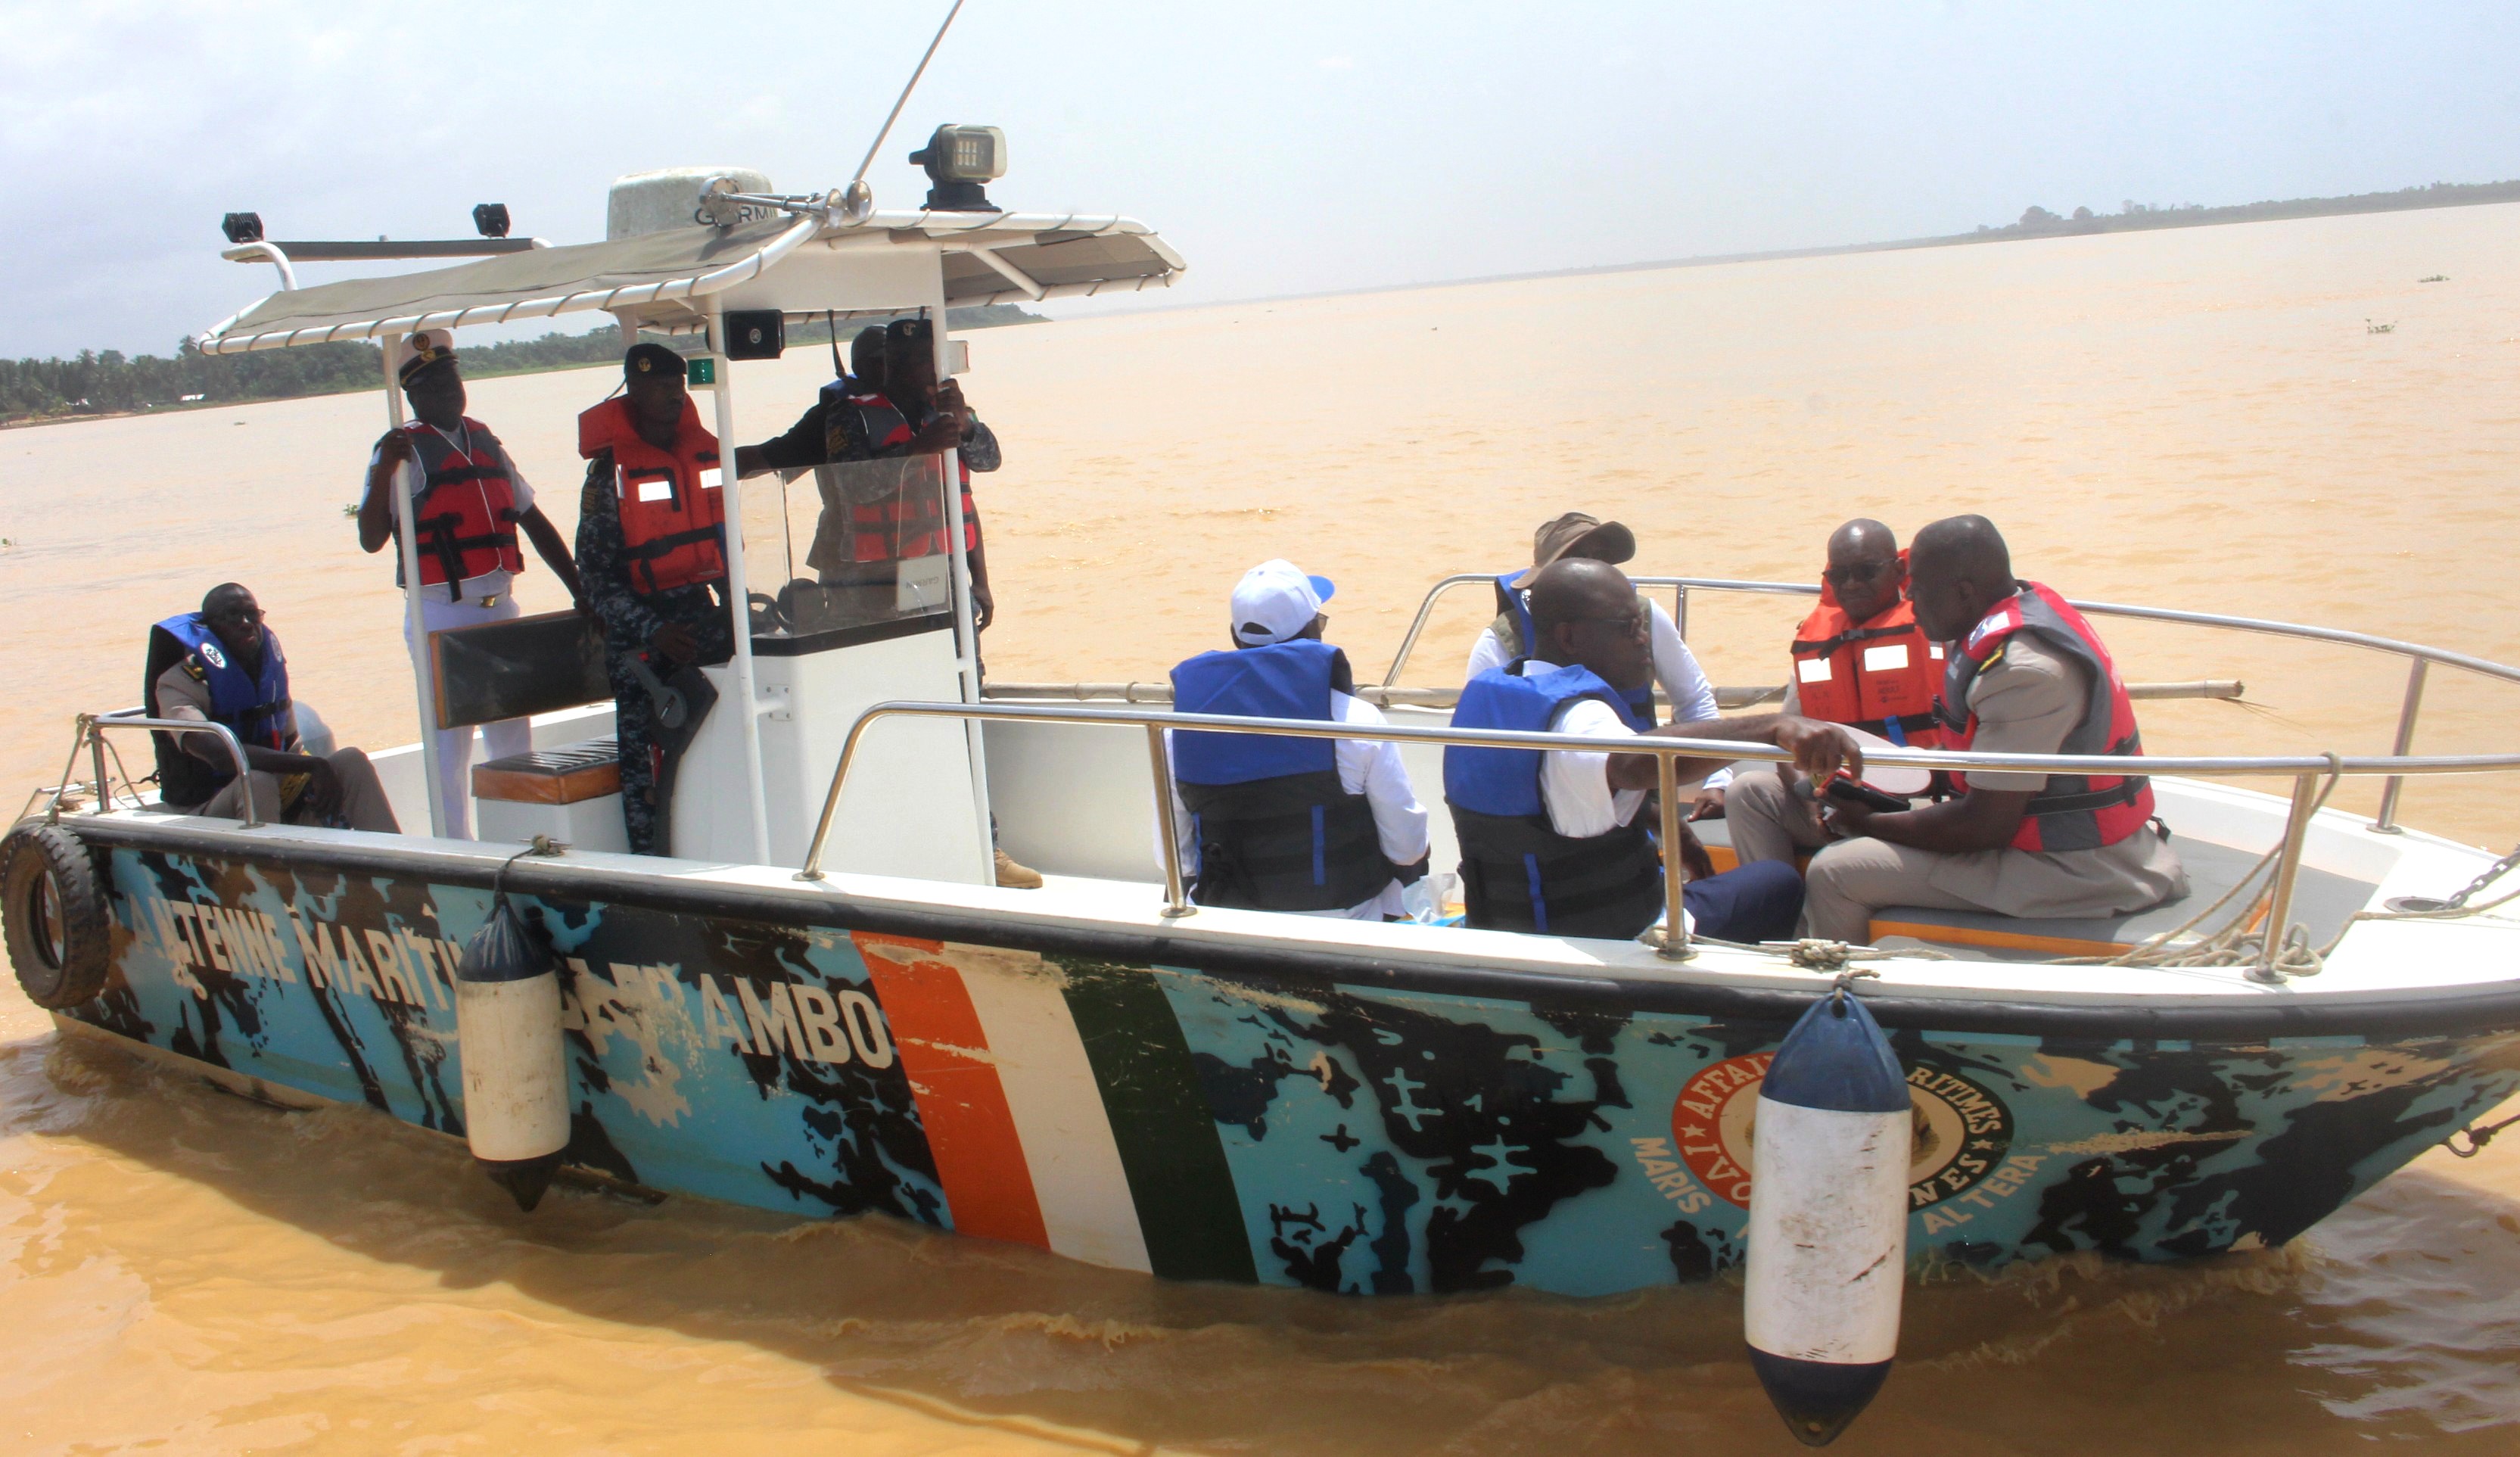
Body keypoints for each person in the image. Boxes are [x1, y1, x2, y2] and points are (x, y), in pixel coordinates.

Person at [1726, 515, 2188, 944]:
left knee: (1836, 872)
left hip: (2066, 864)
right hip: (1972, 813)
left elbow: (1984, 826)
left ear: (1964, 593)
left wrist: (1867, 823)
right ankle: (1776, 938)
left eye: (1918, 589)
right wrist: (1837, 801)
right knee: (1752, 792)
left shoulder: (2023, 672)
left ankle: (1834, 996)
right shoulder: (1993, 627)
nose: (1908, 600)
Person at [1444, 559, 1852, 943]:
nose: (1644, 640)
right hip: (1613, 943)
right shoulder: (1579, 719)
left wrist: (1662, 821)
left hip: (1504, 930)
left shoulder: (1491, 699)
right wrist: (1771, 727)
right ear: (1569, 637)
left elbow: (1555, 795)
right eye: (1628, 627)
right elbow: (1633, 762)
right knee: (1775, 882)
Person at [356, 331, 582, 838]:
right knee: (447, 745)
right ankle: (455, 849)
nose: (448, 389)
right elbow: (372, 538)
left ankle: (526, 837)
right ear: (413, 394)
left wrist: (578, 586)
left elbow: (532, 519)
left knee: (514, 738)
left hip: (500, 607)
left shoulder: (486, 440)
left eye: (452, 377)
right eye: (433, 381)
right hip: (443, 611)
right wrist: (382, 474)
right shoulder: (400, 451)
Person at [1163, 561, 1432, 919]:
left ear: (1234, 635)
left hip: (1229, 921)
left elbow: (1173, 858)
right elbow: (1407, 848)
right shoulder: (1355, 722)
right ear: (1313, 633)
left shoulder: (1177, 731)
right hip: (1346, 919)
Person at [574, 344, 733, 856]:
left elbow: (727, 539)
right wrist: (651, 630)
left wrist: (735, 603)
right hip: (640, 638)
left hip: (700, 617)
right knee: (643, 759)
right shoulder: (608, 476)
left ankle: (721, 844)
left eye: (679, 384)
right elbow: (595, 575)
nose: (674, 395)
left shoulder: (706, 453)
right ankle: (651, 860)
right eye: (661, 386)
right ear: (635, 391)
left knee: (720, 736)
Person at [1467, 512, 1731, 813]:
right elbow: (1483, 746)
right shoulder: (1501, 642)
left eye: (1601, 557)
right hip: (1545, 804)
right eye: (1578, 557)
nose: (1593, 565)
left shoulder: (1645, 617)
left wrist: (1717, 780)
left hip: (1637, 789)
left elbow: (1694, 699)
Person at [1715, 518, 1949, 853]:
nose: (1851, 585)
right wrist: (1811, 801)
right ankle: (1768, 895)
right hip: (1833, 800)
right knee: (1749, 790)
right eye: (1839, 576)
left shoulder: (1938, 632)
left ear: (1898, 571)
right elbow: (1785, 739)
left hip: (1917, 805)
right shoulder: (1815, 645)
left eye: (1866, 571)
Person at [145, 584, 398, 831]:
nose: (246, 622)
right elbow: (219, 753)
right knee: (256, 781)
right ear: (210, 626)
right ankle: (269, 873)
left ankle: (396, 864)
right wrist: (311, 766)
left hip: (277, 799)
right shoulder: (180, 682)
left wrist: (317, 778)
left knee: (351, 761)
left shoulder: (267, 668)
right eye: (232, 616)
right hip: (208, 816)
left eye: (252, 614)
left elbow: (292, 745)